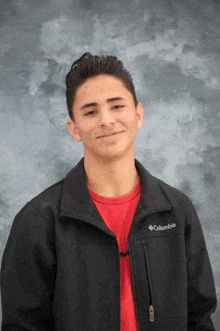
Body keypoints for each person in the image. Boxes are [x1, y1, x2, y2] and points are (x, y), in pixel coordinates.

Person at [1, 52, 217, 331]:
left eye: (117, 106)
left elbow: (199, 318)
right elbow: (21, 325)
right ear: (74, 129)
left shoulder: (177, 209)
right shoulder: (38, 220)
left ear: (138, 115)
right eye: (90, 112)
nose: (106, 120)